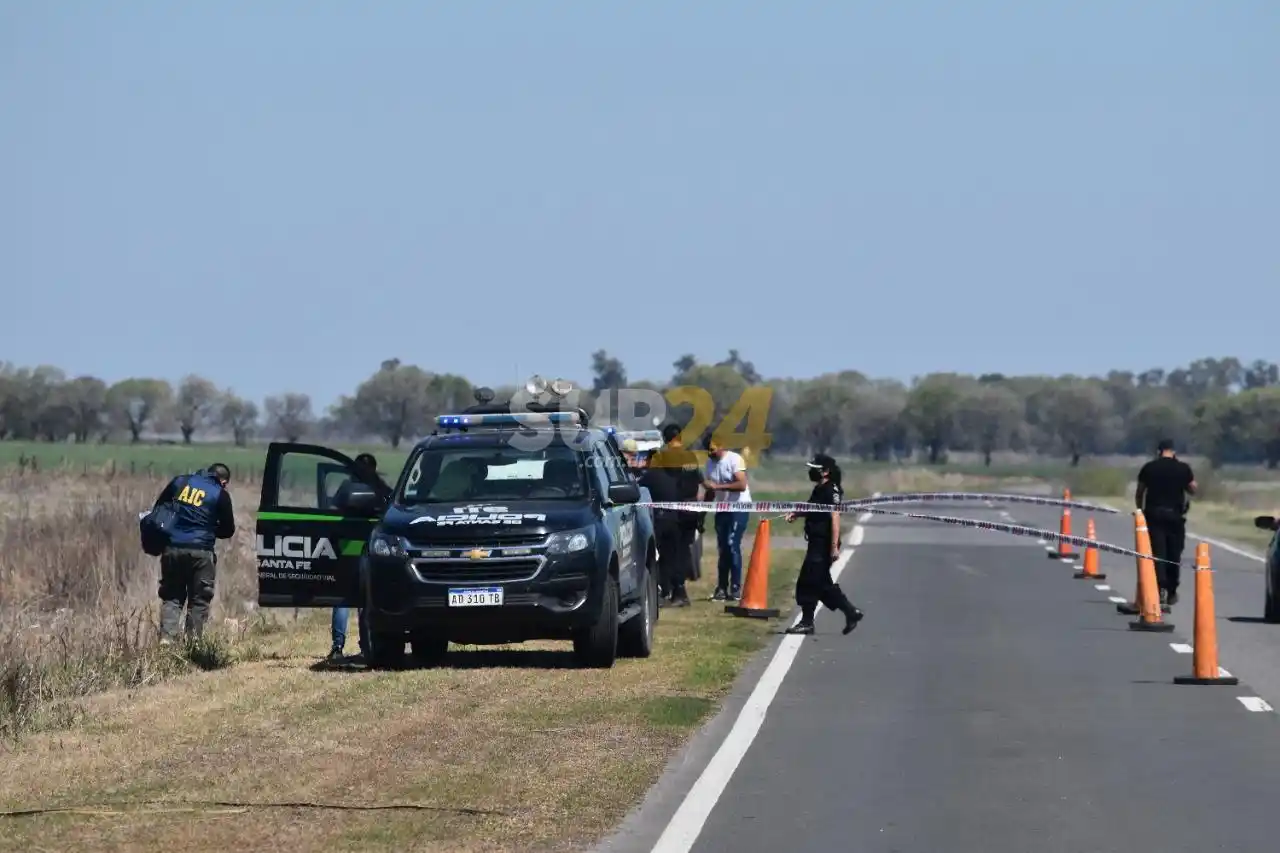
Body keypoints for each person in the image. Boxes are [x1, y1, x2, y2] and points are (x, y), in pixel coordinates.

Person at [151, 463, 235, 643]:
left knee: (172, 597)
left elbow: (159, 510)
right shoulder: (220, 494)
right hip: (201, 553)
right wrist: (209, 529)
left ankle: (167, 642)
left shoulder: (179, 482)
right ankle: (193, 644)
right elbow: (228, 530)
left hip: (172, 549)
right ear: (224, 482)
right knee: (199, 600)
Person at [784, 453, 863, 635]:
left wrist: (834, 546)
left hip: (824, 542)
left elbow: (835, 517)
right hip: (815, 541)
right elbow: (814, 508)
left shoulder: (832, 490)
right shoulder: (820, 488)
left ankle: (807, 622)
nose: (811, 471)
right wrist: (798, 513)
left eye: (815, 469)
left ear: (825, 472)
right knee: (819, 582)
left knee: (809, 582)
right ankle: (850, 612)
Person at [329, 453, 383, 661]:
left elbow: (332, 514)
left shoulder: (346, 488)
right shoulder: (380, 489)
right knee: (367, 601)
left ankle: (337, 647)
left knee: (342, 598)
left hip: (348, 549)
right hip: (372, 550)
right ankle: (368, 647)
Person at [643, 424, 702, 606]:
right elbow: (698, 484)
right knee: (682, 552)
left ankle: (673, 591)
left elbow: (656, 482)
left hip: (671, 512)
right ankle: (678, 591)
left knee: (670, 554)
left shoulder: (663, 458)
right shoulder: (690, 456)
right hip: (689, 511)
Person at [1135, 438, 1197, 606]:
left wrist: (1140, 511)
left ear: (1159, 451)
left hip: (1154, 515)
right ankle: (1171, 589)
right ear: (1173, 451)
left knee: (1158, 553)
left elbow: (1140, 492)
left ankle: (1160, 586)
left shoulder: (1149, 468)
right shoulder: (1183, 469)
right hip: (1175, 517)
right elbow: (1193, 489)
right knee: (1174, 553)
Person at [702, 435, 751, 601]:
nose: (710, 453)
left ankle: (736, 588)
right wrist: (703, 508)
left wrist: (718, 486)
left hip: (739, 507)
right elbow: (710, 490)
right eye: (707, 450)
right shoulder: (709, 464)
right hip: (722, 509)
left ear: (721, 446)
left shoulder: (735, 459)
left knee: (732, 545)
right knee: (723, 549)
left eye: (713, 450)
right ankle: (721, 588)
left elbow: (742, 484)